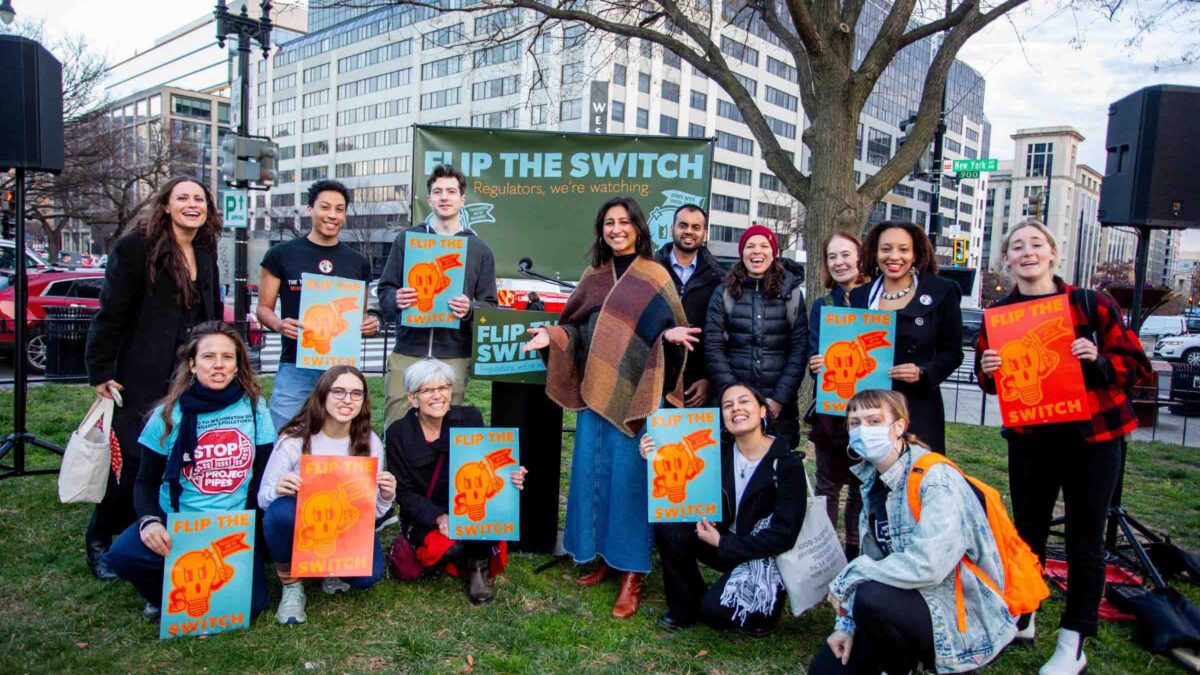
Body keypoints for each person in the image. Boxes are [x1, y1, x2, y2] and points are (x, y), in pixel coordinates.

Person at [975, 220, 1151, 675]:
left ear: (1053, 253)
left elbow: (1135, 366)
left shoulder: (1091, 303)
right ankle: (1025, 614)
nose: (1027, 252)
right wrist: (989, 368)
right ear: (1007, 260)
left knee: (1084, 542)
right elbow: (991, 383)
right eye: (1017, 246)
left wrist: (1099, 361)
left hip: (1092, 441)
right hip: (1033, 441)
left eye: (1036, 244)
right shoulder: (1000, 315)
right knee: (1027, 534)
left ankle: (1073, 642)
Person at [522, 196, 699, 618]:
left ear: (638, 227)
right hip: (593, 391)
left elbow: (671, 331)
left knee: (630, 481)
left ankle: (632, 572)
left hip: (638, 394)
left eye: (624, 222)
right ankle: (603, 555)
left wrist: (666, 339)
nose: (616, 229)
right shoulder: (594, 276)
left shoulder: (656, 276)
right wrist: (554, 336)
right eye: (609, 223)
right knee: (593, 474)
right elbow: (576, 328)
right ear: (602, 230)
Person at [809, 389, 1015, 675]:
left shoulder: (935, 478)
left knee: (871, 594)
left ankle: (933, 666)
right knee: (825, 671)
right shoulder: (871, 480)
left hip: (957, 616)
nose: (863, 430)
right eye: (855, 423)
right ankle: (898, 661)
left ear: (899, 426)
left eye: (874, 420)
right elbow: (875, 559)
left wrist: (850, 574)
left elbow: (928, 565)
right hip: (901, 600)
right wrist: (846, 627)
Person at [85, 176, 225, 581]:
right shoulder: (135, 249)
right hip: (141, 372)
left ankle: (154, 529)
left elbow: (211, 311)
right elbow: (111, 313)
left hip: (189, 372)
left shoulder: (205, 248)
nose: (192, 204)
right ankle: (101, 539)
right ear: (166, 205)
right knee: (131, 460)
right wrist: (100, 371)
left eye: (199, 198)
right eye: (183, 198)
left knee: (178, 454)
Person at [103, 322, 276, 622]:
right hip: (179, 521)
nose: (219, 365)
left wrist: (252, 535)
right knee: (122, 555)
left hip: (231, 525)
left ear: (238, 365)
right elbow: (144, 481)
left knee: (253, 606)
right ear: (192, 364)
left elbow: (262, 474)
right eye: (209, 357)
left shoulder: (255, 408)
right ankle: (164, 595)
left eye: (228, 357)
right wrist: (149, 522)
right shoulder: (168, 414)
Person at [646, 382, 806, 635]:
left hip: (765, 554)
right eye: (727, 405)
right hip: (722, 538)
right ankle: (684, 605)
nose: (736, 409)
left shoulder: (787, 465)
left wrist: (722, 543)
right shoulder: (717, 453)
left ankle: (768, 605)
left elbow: (784, 535)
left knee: (715, 614)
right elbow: (680, 466)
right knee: (671, 523)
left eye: (744, 402)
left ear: (763, 411)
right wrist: (655, 454)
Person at [259, 365, 395, 625]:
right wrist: (278, 488)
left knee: (370, 575)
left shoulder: (370, 442)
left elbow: (373, 514)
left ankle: (331, 569)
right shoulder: (295, 439)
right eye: (339, 391)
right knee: (279, 513)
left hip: (344, 525)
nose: (347, 400)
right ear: (322, 394)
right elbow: (263, 499)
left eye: (356, 394)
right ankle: (292, 583)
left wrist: (387, 496)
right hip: (304, 521)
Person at [386, 359, 528, 605]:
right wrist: (438, 517)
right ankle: (458, 556)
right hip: (427, 512)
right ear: (413, 398)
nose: (438, 396)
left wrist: (509, 476)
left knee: (482, 522)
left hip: (467, 501)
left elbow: (483, 467)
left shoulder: (469, 418)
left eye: (444, 388)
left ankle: (478, 568)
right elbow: (404, 493)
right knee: (448, 548)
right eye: (428, 390)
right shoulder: (399, 432)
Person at [377, 164, 498, 429]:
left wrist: (470, 308)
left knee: (446, 429)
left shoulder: (479, 248)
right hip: (408, 351)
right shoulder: (407, 239)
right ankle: (394, 471)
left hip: (454, 354)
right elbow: (384, 290)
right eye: (438, 191)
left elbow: (490, 306)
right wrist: (396, 298)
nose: (444, 197)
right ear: (429, 199)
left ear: (462, 199)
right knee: (397, 424)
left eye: (451, 191)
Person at [257, 179, 378, 431]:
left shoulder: (357, 263)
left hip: (341, 369)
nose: (332, 215)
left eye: (339, 209)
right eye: (325, 207)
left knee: (341, 437)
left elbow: (361, 316)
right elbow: (263, 309)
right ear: (310, 209)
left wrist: (369, 325)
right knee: (284, 433)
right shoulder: (282, 254)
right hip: (295, 364)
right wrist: (279, 324)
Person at [848, 221, 962, 454]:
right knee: (872, 483)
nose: (894, 256)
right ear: (875, 252)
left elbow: (953, 353)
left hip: (919, 408)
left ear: (916, 253)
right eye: (886, 249)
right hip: (871, 409)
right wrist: (824, 361)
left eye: (903, 249)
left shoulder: (941, 291)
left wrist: (923, 372)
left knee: (917, 481)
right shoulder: (860, 296)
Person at [704, 224, 809, 449]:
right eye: (750, 246)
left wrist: (779, 398)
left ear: (773, 253)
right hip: (732, 403)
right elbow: (713, 346)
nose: (757, 251)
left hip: (780, 406)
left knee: (776, 472)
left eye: (764, 245)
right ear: (741, 253)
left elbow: (799, 349)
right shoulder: (723, 292)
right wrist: (735, 398)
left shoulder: (791, 294)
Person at [807, 232, 871, 559]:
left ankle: (855, 553)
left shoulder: (876, 299)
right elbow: (815, 350)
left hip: (869, 411)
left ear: (860, 257)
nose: (839, 262)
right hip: (831, 412)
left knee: (861, 487)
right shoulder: (823, 305)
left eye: (845, 255)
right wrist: (815, 362)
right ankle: (825, 556)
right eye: (832, 257)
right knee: (827, 487)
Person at [655, 204, 725, 407]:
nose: (689, 231)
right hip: (654, 380)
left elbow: (720, 335)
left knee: (693, 440)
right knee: (653, 440)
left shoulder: (719, 278)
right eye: (683, 225)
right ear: (672, 229)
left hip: (697, 387)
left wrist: (709, 379)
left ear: (704, 234)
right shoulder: (649, 271)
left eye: (696, 227)